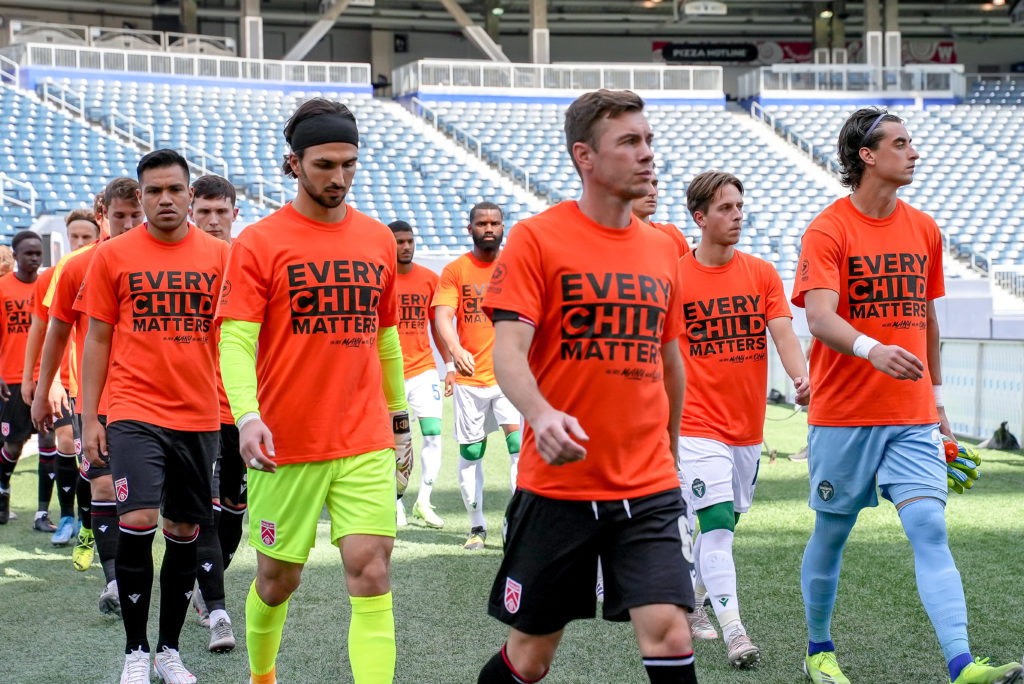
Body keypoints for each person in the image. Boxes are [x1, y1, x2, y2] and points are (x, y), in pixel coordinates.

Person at [792, 107, 1023, 684]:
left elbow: (926, 320)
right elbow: (818, 317)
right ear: (867, 156)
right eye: (900, 143)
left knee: (930, 529)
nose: (913, 151)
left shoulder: (924, 228)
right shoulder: (828, 229)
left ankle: (962, 663)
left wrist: (937, 400)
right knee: (832, 532)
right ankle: (818, 650)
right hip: (844, 416)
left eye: (912, 142)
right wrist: (873, 350)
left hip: (912, 416)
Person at [478, 89, 697, 684]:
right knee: (531, 657)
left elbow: (670, 360)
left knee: (671, 631)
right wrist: (542, 414)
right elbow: (509, 354)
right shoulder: (537, 239)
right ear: (586, 157)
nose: (647, 154)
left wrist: (672, 445)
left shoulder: (662, 248)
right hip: (559, 490)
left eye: (648, 139)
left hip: (646, 486)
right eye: (629, 141)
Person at [217, 98, 406, 684]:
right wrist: (247, 416)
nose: (340, 178)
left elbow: (387, 339)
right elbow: (237, 342)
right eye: (325, 164)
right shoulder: (260, 242)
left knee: (370, 570)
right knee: (278, 581)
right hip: (285, 444)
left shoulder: (377, 239)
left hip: (363, 439)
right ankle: (262, 675)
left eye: (349, 164)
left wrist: (398, 418)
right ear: (293, 164)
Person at [80, 149, 228, 684]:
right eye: (153, 191)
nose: (164, 199)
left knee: (184, 527)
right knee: (139, 519)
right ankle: (135, 651)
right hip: (132, 410)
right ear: (139, 198)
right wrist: (90, 417)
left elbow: (235, 340)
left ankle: (169, 649)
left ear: (190, 195)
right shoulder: (113, 256)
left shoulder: (219, 256)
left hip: (198, 415)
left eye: (174, 189)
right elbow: (97, 338)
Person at [676, 170, 810, 667]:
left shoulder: (761, 273)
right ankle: (736, 633)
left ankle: (691, 599)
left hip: (746, 431)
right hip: (695, 426)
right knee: (714, 524)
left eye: (739, 206)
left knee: (725, 524)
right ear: (700, 217)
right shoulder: (675, 277)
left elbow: (783, 334)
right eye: (726, 208)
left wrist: (801, 379)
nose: (737, 215)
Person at [33, 177, 144, 604]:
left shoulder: (164, 261)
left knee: (149, 502)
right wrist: (45, 386)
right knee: (102, 487)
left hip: (153, 400)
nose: (130, 224)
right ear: (103, 217)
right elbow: (54, 330)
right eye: (120, 216)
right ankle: (114, 582)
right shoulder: (79, 265)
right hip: (95, 398)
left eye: (137, 215)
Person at [432, 202, 521, 550]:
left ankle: (514, 523)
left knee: (518, 448)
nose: (488, 228)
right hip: (471, 381)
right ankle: (477, 526)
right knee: (471, 453)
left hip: (508, 378)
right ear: (469, 228)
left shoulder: (516, 269)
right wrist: (455, 350)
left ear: (503, 228)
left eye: (494, 222)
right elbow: (443, 316)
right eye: (481, 223)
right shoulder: (456, 271)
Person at [20, 209, 101, 548]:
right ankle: (67, 517)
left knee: (92, 458)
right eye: (75, 237)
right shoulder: (53, 276)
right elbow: (40, 330)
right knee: (66, 443)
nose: (80, 242)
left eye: (87, 237)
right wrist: (36, 379)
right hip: (64, 380)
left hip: (97, 382)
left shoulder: (105, 266)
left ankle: (90, 521)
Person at [186, 173, 241, 653]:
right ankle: (216, 605)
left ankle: (206, 583)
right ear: (191, 212)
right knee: (206, 511)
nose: (212, 220)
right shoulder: (182, 263)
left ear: (234, 215)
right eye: (204, 211)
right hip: (195, 410)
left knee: (234, 516)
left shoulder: (248, 263)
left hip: (244, 411)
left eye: (221, 211)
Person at [389, 219, 452, 529]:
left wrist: (449, 365)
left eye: (410, 240)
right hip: (388, 374)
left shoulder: (430, 279)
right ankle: (396, 500)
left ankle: (423, 502)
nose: (406, 246)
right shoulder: (380, 279)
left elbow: (438, 327)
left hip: (424, 370)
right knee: (395, 441)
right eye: (399, 241)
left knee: (433, 434)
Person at [0, 231, 45, 528]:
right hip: (12, 379)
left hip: (46, 378)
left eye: (38, 253)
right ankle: (2, 491)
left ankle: (44, 512)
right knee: (14, 445)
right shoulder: (2, 288)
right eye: (28, 253)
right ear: (15, 256)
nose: (34, 258)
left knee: (54, 441)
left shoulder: (49, 286)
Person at [631, 167, 690, 258]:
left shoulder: (673, 236)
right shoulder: (607, 239)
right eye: (643, 184)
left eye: (654, 184)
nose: (653, 192)